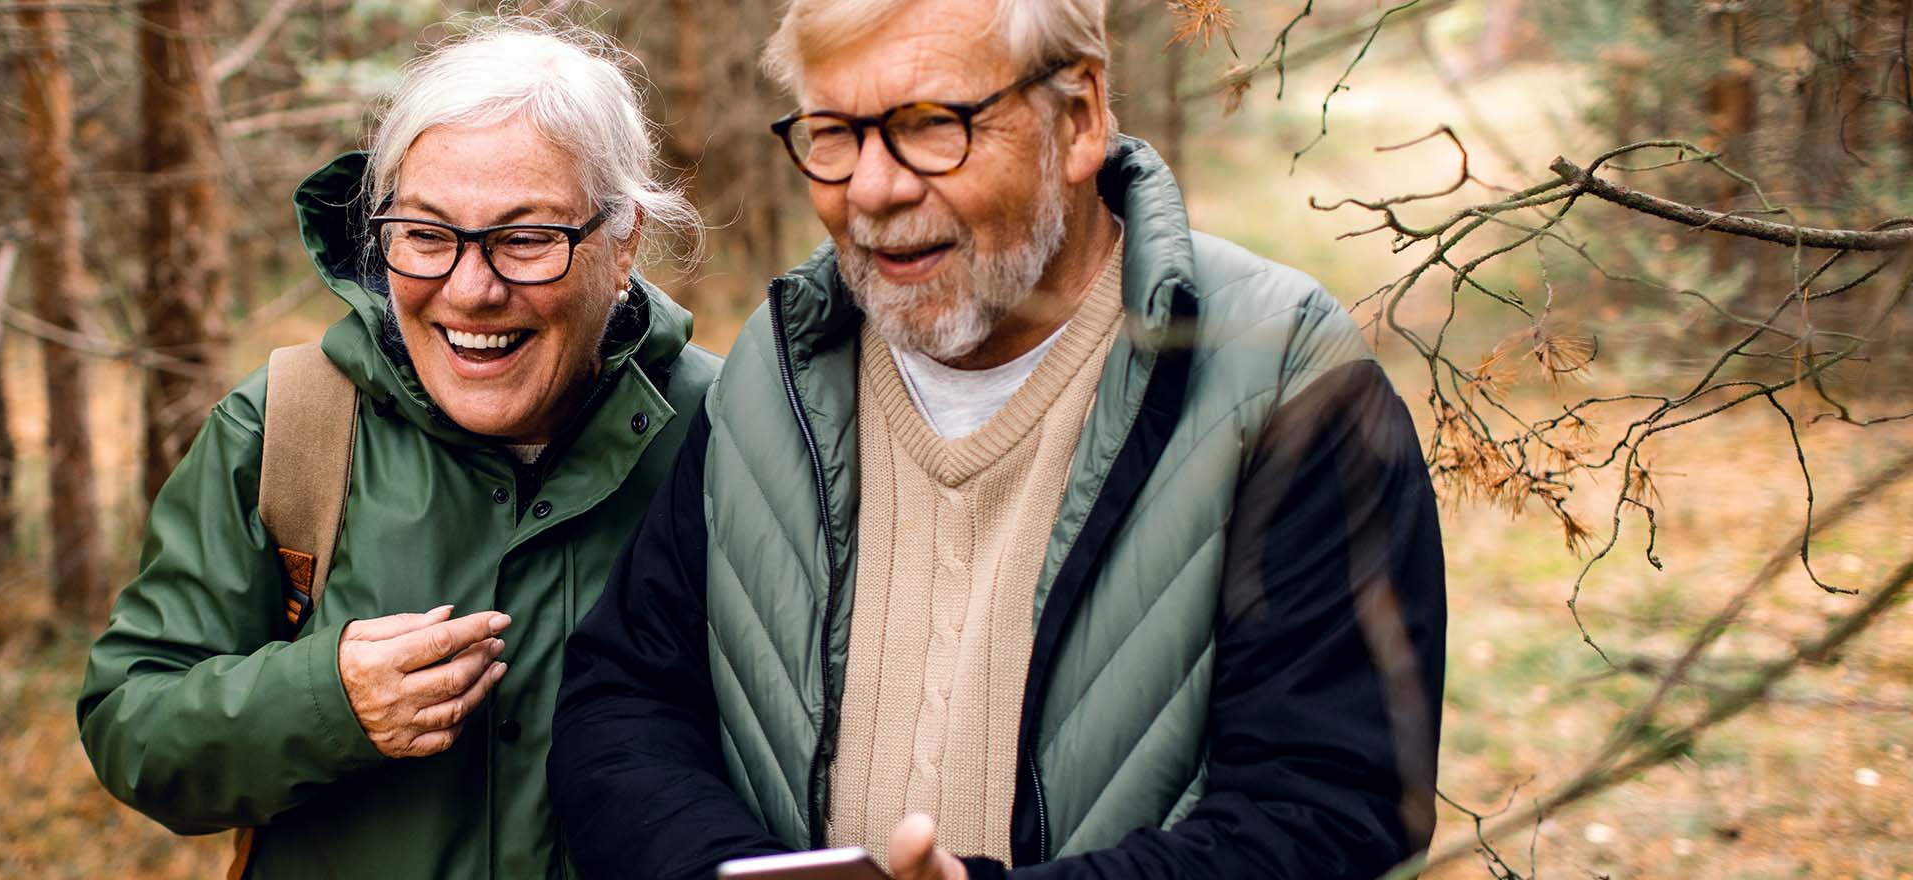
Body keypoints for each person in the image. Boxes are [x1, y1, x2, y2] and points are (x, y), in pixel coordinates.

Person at [548, 0, 1448, 878]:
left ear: (1079, 117)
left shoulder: (1280, 374)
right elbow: (623, 703)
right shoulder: (774, 374)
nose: (872, 187)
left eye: (931, 124)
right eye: (833, 133)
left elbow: (1328, 806)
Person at [77, 20, 717, 879]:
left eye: (526, 239)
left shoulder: (726, 434)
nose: (471, 289)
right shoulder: (288, 428)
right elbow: (131, 723)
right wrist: (325, 703)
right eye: (426, 234)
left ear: (624, 239)